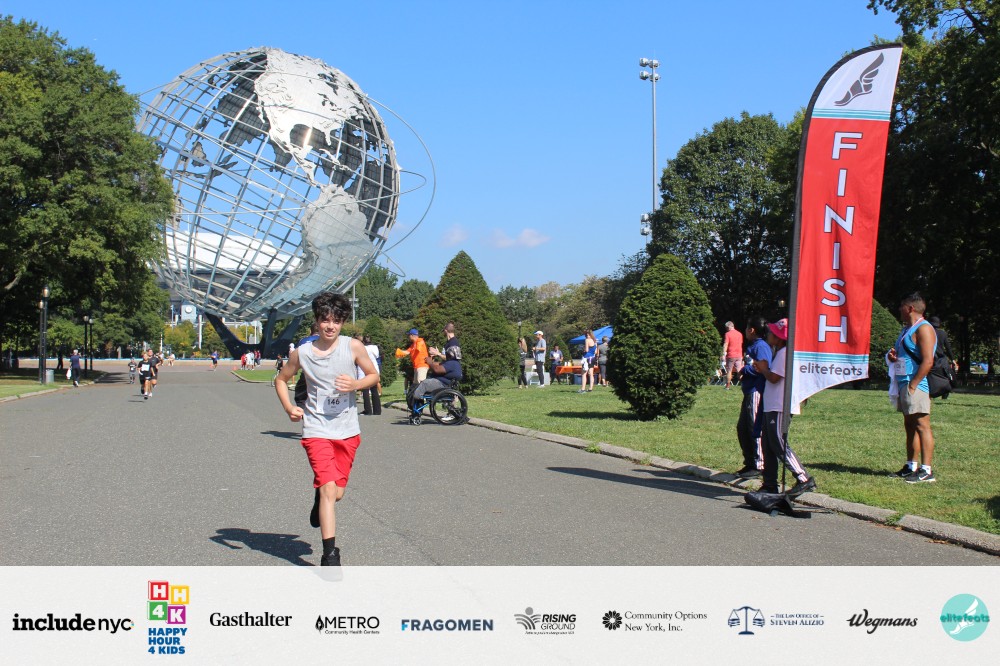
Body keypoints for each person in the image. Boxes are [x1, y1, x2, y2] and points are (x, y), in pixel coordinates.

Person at [273, 292, 379, 568]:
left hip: (347, 429)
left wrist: (355, 385)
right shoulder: (303, 353)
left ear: (343, 322)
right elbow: (281, 380)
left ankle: (320, 496)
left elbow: (373, 375)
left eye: (336, 321)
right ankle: (330, 555)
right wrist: (289, 407)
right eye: (325, 320)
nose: (330, 326)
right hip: (316, 428)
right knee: (330, 490)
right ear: (317, 321)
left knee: (335, 493)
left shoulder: (353, 347)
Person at [753, 318, 816, 496]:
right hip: (773, 404)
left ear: (779, 337)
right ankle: (769, 483)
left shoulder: (784, 353)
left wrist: (763, 369)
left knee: (778, 442)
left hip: (780, 404)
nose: (768, 334)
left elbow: (774, 378)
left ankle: (803, 477)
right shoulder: (781, 352)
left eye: (772, 332)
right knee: (768, 444)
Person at [887, 293, 937, 483]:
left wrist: (914, 384)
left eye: (901, 306)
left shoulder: (924, 328)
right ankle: (911, 465)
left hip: (916, 385)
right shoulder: (906, 329)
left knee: (922, 425)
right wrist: (893, 356)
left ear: (910, 308)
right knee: (909, 425)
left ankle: (926, 470)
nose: (899, 309)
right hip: (904, 383)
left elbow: (928, 360)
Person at [735, 317, 771, 478]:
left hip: (756, 390)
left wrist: (745, 370)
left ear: (752, 330)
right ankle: (749, 462)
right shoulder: (753, 346)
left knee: (753, 427)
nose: (745, 331)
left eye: (747, 328)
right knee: (742, 428)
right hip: (748, 391)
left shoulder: (761, 346)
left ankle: (759, 464)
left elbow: (763, 367)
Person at [411, 337, 463, 409]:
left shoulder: (452, 363)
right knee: (424, 383)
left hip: (442, 384)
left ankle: (415, 398)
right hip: (443, 383)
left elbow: (437, 369)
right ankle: (417, 404)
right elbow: (438, 365)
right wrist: (430, 361)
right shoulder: (453, 363)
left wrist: (430, 363)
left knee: (424, 383)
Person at [359, 335, 381, 416]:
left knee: (365, 390)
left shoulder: (362, 348)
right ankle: (377, 410)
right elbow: (377, 357)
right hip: (374, 368)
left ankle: (368, 410)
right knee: (374, 389)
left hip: (365, 368)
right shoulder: (375, 348)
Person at [721, 321, 744, 389]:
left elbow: (726, 344)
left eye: (726, 328)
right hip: (739, 354)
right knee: (739, 370)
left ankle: (728, 386)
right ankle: (743, 384)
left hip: (731, 355)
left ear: (728, 327)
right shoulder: (740, 334)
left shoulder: (727, 334)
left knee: (729, 370)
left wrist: (723, 354)